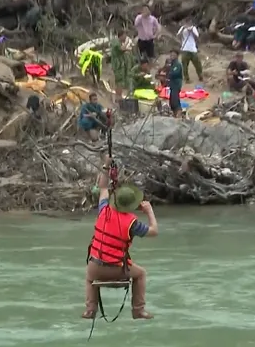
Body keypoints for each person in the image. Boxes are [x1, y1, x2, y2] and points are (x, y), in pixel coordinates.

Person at [82, 155, 158, 320]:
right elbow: (153, 231)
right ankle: (138, 311)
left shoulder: (104, 210)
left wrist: (106, 166)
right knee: (141, 274)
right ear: (131, 205)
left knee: (89, 278)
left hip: (96, 267)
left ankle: (90, 309)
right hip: (117, 269)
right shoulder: (132, 222)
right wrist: (149, 211)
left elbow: (102, 188)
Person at [110, 30, 134, 100]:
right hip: (118, 65)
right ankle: (118, 98)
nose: (125, 37)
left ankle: (119, 97)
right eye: (125, 36)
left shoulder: (120, 42)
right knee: (119, 82)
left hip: (121, 65)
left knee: (121, 81)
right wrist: (127, 44)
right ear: (122, 35)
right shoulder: (116, 42)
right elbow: (121, 49)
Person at [167, 49, 183, 117]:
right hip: (172, 84)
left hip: (176, 84)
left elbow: (175, 73)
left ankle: (178, 113)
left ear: (177, 56)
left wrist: (168, 73)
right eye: (171, 55)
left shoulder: (177, 64)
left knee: (175, 100)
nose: (172, 56)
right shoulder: (171, 63)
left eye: (173, 55)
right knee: (171, 101)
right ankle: (174, 113)